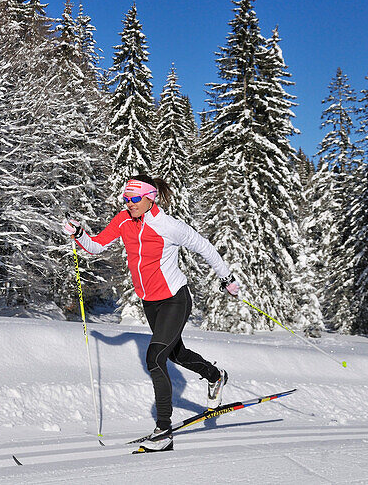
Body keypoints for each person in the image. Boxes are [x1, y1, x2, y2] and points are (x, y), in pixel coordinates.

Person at [63, 174, 241, 452]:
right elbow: (97, 246)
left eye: (134, 199)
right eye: (126, 198)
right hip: (151, 302)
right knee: (174, 353)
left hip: (175, 300)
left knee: (155, 358)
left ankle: (163, 432)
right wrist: (79, 234)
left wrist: (227, 277)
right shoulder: (122, 220)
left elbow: (204, 247)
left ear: (150, 198)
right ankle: (215, 376)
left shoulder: (168, 225)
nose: (129, 203)